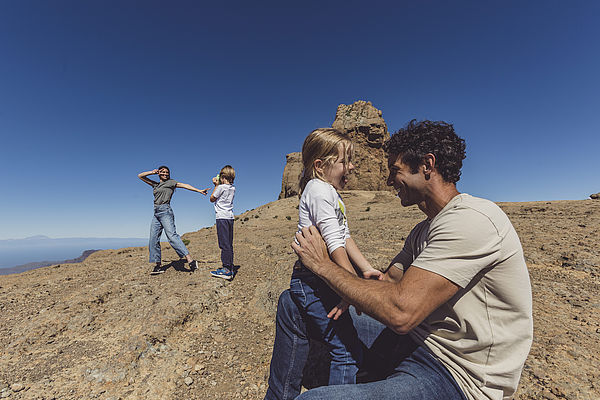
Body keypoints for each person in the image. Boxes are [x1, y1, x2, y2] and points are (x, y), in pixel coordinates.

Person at [266, 120, 533, 400]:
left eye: (395, 171)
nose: (388, 180)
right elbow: (390, 281)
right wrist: (363, 276)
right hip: (415, 340)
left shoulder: (472, 219)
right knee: (291, 303)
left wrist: (323, 266)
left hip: (455, 371)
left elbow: (400, 312)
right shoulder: (423, 230)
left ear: (427, 166)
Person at [264, 129, 382, 399]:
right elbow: (332, 243)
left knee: (345, 346)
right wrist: (350, 286)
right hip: (314, 281)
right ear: (320, 165)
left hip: (324, 279)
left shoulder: (330, 193)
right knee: (346, 353)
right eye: (344, 161)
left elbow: (345, 235)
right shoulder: (318, 191)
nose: (351, 167)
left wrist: (364, 269)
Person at [138, 166, 208, 275]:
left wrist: (199, 190)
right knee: (153, 239)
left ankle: (190, 260)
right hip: (156, 213)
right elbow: (140, 176)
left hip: (165, 211)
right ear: (159, 173)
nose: (165, 174)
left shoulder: (171, 183)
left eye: (167, 172)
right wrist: (152, 172)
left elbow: (185, 185)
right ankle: (157, 265)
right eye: (163, 172)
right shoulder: (155, 184)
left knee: (172, 236)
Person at [209, 165, 237, 280]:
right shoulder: (232, 188)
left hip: (222, 218)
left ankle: (226, 270)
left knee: (223, 244)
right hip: (230, 217)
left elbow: (212, 198)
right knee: (228, 243)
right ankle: (229, 267)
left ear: (223, 176)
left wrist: (216, 185)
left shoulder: (221, 187)